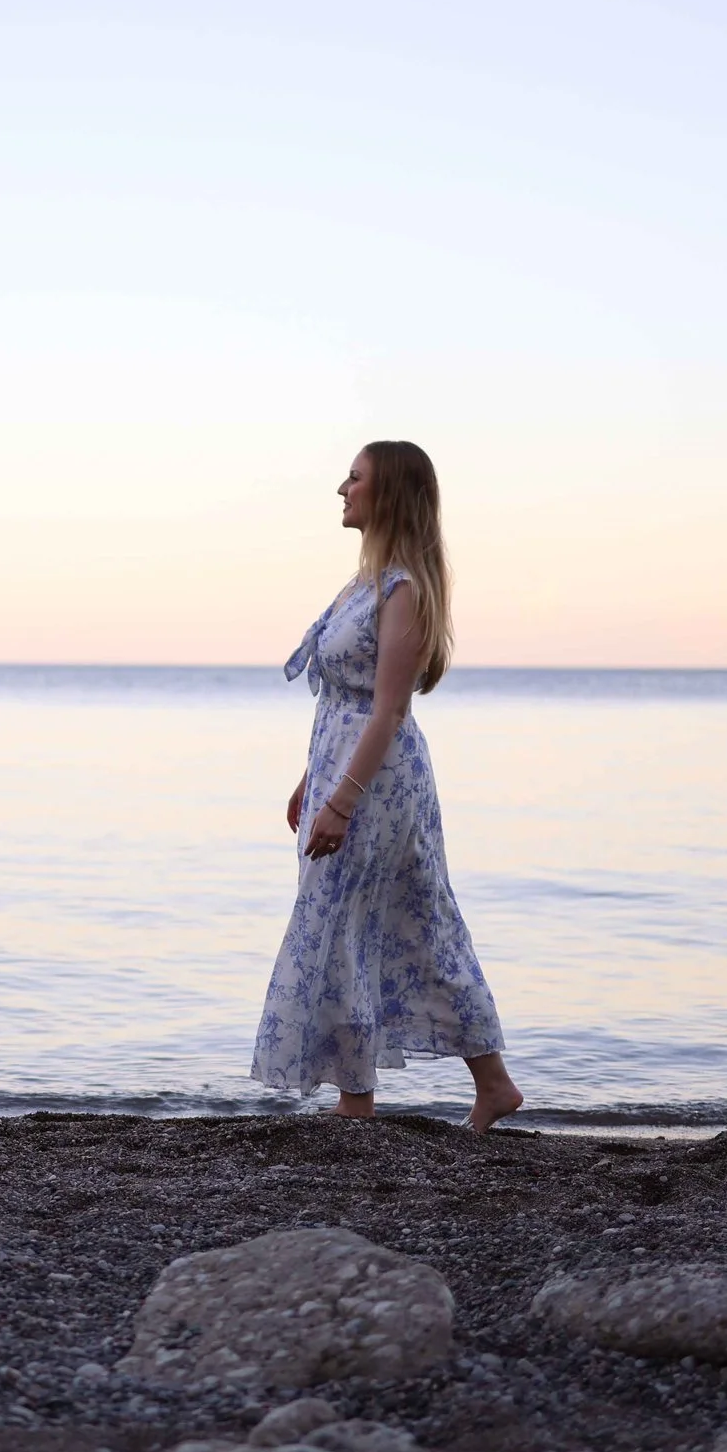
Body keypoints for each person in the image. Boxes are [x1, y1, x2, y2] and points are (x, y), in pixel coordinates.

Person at [250, 441, 523, 1128]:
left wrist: (342, 799)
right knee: (407, 922)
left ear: (389, 494)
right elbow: (343, 698)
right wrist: (310, 779)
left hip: (378, 785)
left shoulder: (404, 590)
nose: (342, 488)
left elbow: (390, 710)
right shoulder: (361, 585)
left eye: (356, 478)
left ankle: (356, 1101)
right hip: (348, 769)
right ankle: (489, 1084)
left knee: (354, 921)